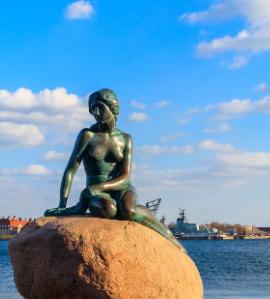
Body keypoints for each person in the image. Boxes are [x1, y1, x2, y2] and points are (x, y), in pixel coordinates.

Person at [45, 88, 186, 252]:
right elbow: (70, 170)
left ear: (112, 107)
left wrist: (100, 187)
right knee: (109, 209)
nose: (96, 113)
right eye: (92, 109)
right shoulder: (87, 135)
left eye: (100, 107)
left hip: (122, 187)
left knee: (129, 210)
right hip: (97, 192)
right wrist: (62, 205)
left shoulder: (125, 139)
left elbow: (126, 176)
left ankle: (168, 235)